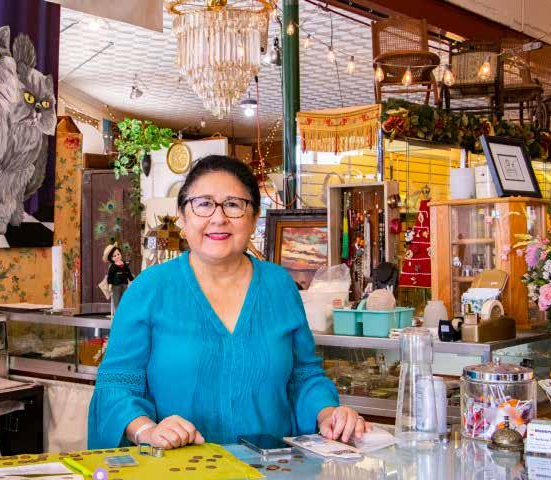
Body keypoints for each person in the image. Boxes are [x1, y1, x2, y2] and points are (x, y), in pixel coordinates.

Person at [88, 155, 370, 450]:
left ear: (254, 217)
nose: (218, 218)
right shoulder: (149, 289)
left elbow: (304, 375)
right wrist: (147, 430)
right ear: (182, 216)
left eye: (234, 205)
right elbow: (116, 384)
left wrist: (328, 413)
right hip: (177, 466)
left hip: (271, 466)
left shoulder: (279, 286)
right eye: (203, 204)